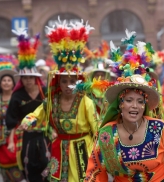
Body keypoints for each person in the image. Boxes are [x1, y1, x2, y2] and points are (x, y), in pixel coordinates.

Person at [84, 30, 164, 182]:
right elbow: (95, 173)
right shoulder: (106, 135)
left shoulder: (160, 129)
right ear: (120, 104)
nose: (135, 106)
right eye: (129, 100)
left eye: (140, 101)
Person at [19, 17, 97, 182]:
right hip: (59, 150)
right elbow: (36, 114)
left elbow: (97, 130)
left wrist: (99, 154)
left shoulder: (86, 102)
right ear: (58, 82)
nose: (68, 85)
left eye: (72, 81)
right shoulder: (52, 102)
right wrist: (28, 120)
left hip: (82, 151)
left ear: (79, 81)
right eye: (64, 81)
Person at [6, 29, 50, 182]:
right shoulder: (17, 96)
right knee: (28, 163)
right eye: (25, 78)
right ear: (21, 80)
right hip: (27, 135)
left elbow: (52, 111)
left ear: (36, 78)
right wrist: (11, 141)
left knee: (47, 162)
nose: (28, 81)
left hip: (46, 134)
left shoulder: (44, 92)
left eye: (31, 77)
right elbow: (11, 119)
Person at [0, 55, 25, 182]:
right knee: (4, 171)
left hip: (16, 136)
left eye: (9, 80)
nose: (6, 83)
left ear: (13, 83)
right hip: (0, 139)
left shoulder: (18, 98)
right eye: (4, 80)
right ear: (0, 83)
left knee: (18, 165)